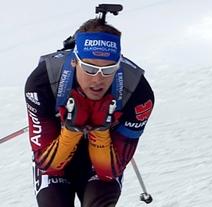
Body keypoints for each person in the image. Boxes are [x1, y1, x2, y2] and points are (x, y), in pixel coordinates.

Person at [24, 16, 154, 207]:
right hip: (56, 152)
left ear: (119, 64)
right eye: (89, 68)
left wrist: (100, 131)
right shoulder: (43, 82)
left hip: (102, 160)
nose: (98, 79)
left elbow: (109, 171)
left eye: (108, 70)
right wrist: (71, 129)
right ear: (74, 61)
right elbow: (48, 165)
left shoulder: (137, 92)